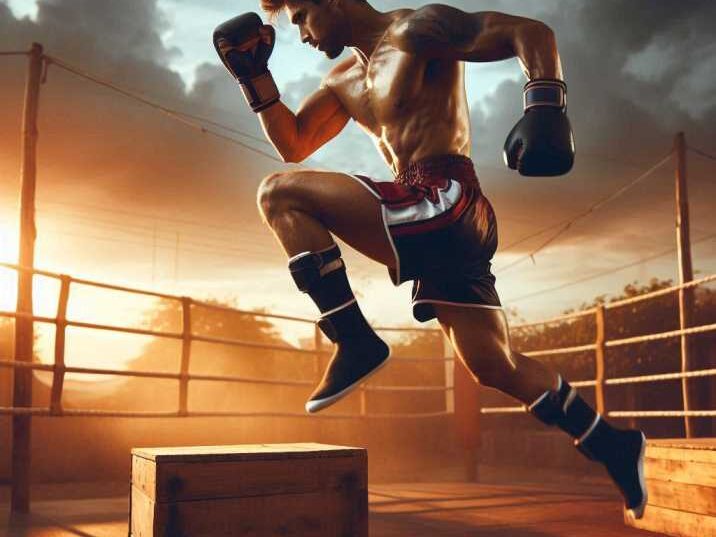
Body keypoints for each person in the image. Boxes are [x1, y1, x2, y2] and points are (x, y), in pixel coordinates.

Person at [213, 0, 647, 519]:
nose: (300, 32)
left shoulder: (416, 29)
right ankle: (613, 445)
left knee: (277, 194)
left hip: (446, 199)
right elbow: (294, 142)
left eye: (302, 14)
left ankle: (353, 340)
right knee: (494, 365)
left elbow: (527, 32)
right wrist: (255, 78)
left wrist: (544, 104)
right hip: (435, 221)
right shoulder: (342, 79)